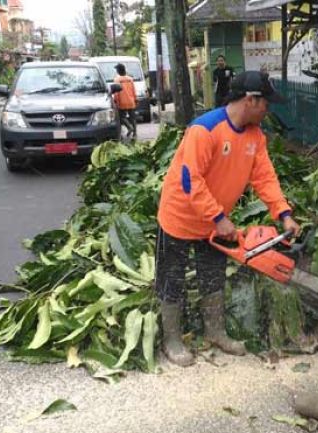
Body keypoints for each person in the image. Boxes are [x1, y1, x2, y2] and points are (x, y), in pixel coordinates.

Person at [155, 71, 300, 367]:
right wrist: (218, 216)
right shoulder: (205, 129)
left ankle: (215, 331)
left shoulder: (254, 136)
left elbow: (265, 178)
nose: (268, 109)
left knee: (213, 275)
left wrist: (283, 213)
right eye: (266, 103)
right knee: (173, 278)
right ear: (251, 100)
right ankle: (170, 339)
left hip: (215, 223)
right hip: (180, 218)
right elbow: (189, 180)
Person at [113, 63, 137, 137]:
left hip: (122, 102)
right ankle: (135, 133)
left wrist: (115, 101)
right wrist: (135, 99)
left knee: (121, 117)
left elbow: (116, 93)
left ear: (119, 71)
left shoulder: (117, 80)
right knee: (133, 118)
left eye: (117, 69)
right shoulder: (130, 79)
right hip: (131, 101)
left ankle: (129, 127)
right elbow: (134, 90)